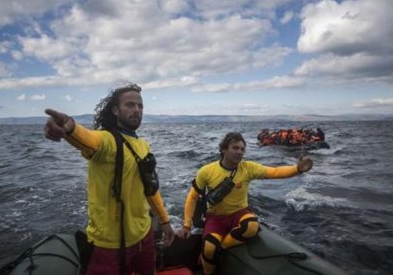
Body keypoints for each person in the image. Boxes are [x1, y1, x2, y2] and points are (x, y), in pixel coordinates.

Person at [44, 83, 175, 275]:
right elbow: (88, 139)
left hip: (144, 236)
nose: (136, 110)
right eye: (130, 105)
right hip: (109, 246)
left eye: (140, 106)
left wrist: (164, 221)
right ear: (115, 110)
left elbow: (151, 189)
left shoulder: (143, 146)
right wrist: (70, 128)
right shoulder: (106, 140)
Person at [177, 132, 313, 275]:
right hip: (216, 217)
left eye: (242, 149)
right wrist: (186, 225)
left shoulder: (248, 168)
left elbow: (274, 172)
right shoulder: (206, 171)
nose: (239, 152)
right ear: (223, 149)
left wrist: (297, 169)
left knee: (251, 226)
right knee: (209, 248)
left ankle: (221, 249)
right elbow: (192, 197)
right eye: (235, 148)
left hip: (239, 213)